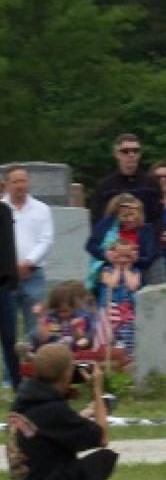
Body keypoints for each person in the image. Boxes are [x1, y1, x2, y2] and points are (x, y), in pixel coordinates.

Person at [6, 343, 116, 480]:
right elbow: (102, 437)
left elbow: (48, 429)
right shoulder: (54, 411)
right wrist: (96, 389)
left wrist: (86, 413)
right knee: (102, 460)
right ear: (67, 375)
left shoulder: (22, 404)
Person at [88, 134, 163, 285]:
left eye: (135, 151)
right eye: (126, 151)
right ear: (116, 154)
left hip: (148, 254)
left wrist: (150, 250)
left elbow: (159, 219)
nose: (131, 155)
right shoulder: (105, 186)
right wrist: (111, 253)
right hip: (115, 257)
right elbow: (97, 223)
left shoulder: (151, 184)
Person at [2, 166, 55, 341]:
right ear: (7, 184)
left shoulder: (41, 209)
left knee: (36, 327)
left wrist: (28, 262)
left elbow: (46, 240)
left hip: (33, 275)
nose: (19, 185)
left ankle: (35, 367)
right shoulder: (2, 209)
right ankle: (11, 368)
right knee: (8, 327)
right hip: (6, 277)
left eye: (23, 181)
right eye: (15, 181)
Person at [84, 195, 157, 296]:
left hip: (134, 276)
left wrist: (135, 259)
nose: (130, 219)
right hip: (109, 274)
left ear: (139, 213)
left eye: (132, 214)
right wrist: (106, 255)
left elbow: (149, 258)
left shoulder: (146, 230)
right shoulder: (109, 225)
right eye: (125, 216)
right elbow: (90, 245)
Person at [98, 240, 141, 353]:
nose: (123, 260)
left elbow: (132, 286)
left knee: (129, 335)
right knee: (112, 337)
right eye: (119, 256)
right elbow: (111, 284)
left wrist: (126, 269)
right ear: (112, 255)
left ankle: (129, 356)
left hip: (129, 311)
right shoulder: (106, 270)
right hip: (112, 310)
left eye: (126, 256)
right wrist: (117, 268)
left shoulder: (135, 271)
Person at [0, 198, 21, 390]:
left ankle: (17, 384)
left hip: (3, 284)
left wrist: (12, 280)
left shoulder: (4, 211)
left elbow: (9, 248)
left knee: (9, 338)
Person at [36, 282, 93, 352]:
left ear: (74, 307)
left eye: (65, 311)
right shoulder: (51, 318)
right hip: (55, 351)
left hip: (75, 351)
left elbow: (82, 339)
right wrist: (40, 318)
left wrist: (76, 328)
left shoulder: (80, 318)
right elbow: (43, 338)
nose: (62, 314)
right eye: (58, 311)